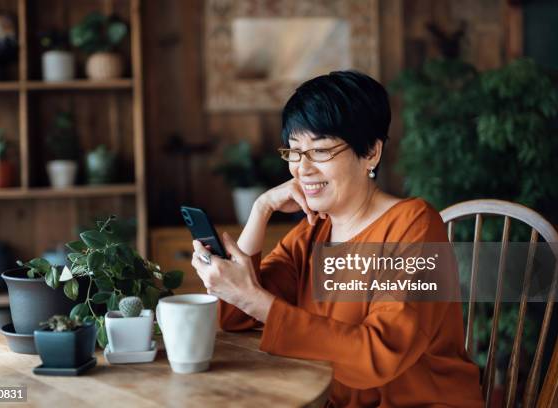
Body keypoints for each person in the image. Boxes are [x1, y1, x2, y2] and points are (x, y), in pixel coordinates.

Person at [191, 70, 484, 407]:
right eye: (295, 151)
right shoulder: (314, 230)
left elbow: (378, 356)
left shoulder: (416, 226)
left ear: (371, 153)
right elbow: (234, 316)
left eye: (321, 151)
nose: (303, 168)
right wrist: (261, 208)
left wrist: (255, 300)